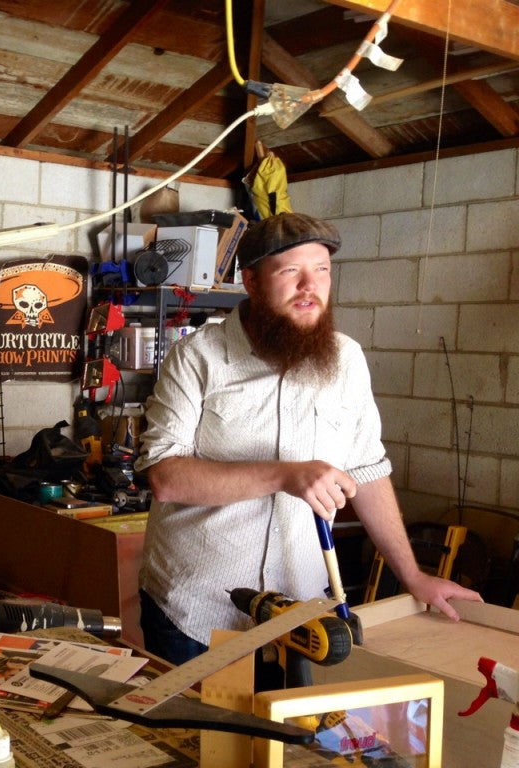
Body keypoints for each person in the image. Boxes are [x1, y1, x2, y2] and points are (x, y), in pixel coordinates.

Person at [134, 212, 482, 666]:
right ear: (252, 282)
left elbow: (368, 471)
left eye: (321, 271)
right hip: (195, 611)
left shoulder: (346, 360)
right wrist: (285, 475)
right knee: (195, 737)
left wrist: (413, 575)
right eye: (290, 272)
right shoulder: (197, 357)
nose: (309, 287)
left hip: (301, 616)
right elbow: (166, 477)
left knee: (296, 736)